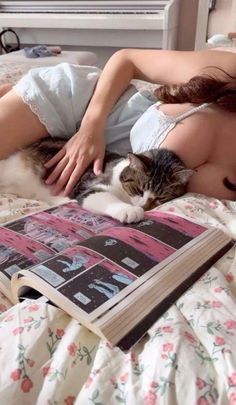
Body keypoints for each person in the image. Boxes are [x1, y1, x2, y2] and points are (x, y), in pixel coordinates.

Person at [0, 48, 236, 201]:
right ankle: (13, 96)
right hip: (78, 105)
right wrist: (89, 130)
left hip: (96, 171)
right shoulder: (231, 72)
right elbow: (126, 59)